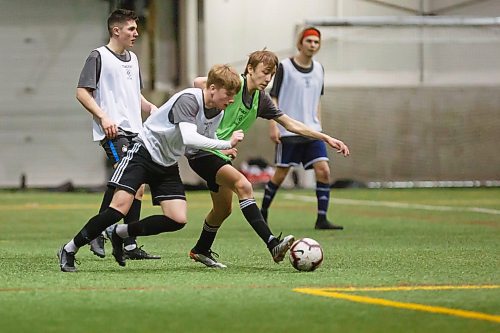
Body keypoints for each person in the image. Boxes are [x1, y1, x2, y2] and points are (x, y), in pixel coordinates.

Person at [58, 64, 260, 272]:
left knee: (177, 219)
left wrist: (222, 149)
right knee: (118, 208)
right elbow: (189, 136)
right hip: (143, 153)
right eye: (228, 94)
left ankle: (121, 233)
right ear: (212, 88)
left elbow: (207, 137)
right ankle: (69, 249)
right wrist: (227, 144)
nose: (231, 100)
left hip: (167, 162)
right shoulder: (189, 100)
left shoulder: (217, 111)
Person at [188, 50, 349, 268]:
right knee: (243, 185)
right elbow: (198, 81)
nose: (268, 79)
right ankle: (272, 243)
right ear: (250, 69)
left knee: (223, 209)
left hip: (220, 154)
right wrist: (212, 88)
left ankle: (200, 249)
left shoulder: (261, 100)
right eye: (265, 73)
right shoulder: (234, 84)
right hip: (203, 151)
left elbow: (291, 124)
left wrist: (326, 137)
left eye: (271, 75)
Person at [76, 9, 159, 260]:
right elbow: (81, 92)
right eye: (131, 29)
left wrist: (152, 108)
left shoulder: (133, 59)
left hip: (136, 131)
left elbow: (135, 95)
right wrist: (103, 116)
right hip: (114, 131)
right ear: (116, 30)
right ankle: (98, 233)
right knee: (127, 181)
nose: (136, 33)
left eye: (136, 29)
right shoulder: (98, 56)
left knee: (138, 185)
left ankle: (129, 244)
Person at [260, 26, 343, 230]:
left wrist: (319, 126)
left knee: (323, 171)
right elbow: (273, 97)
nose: (312, 45)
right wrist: (273, 126)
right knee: (280, 174)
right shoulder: (284, 67)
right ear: (300, 43)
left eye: (316, 42)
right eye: (309, 41)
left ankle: (321, 218)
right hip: (289, 130)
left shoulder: (319, 69)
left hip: (312, 130)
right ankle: (262, 212)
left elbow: (317, 100)